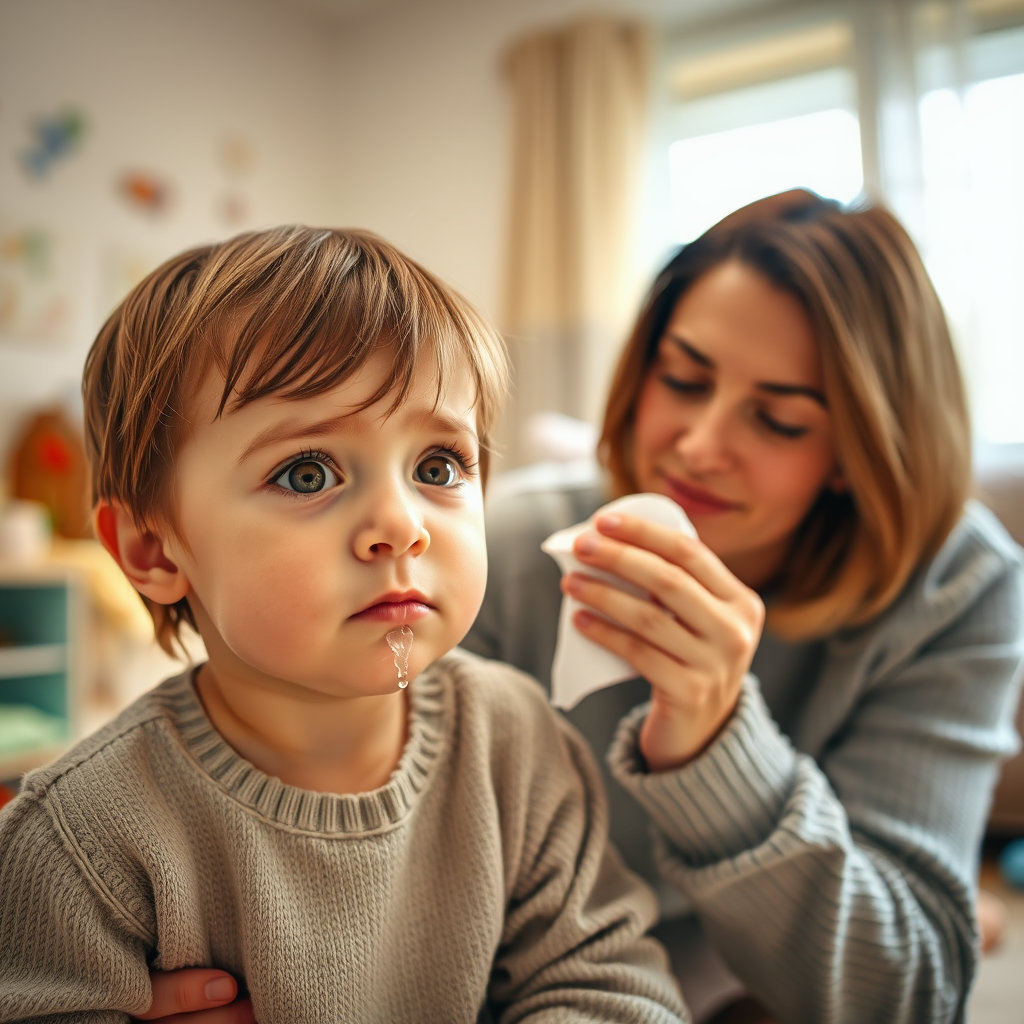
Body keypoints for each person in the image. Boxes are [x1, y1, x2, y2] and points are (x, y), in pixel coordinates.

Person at [138, 192, 1024, 1024]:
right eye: (682, 379)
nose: (699, 445)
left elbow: (908, 991)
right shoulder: (506, 552)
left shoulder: (959, 588)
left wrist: (718, 747)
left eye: (780, 420)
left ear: (858, 448)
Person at [0, 226, 690, 1023]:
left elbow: (612, 984)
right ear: (155, 550)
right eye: (307, 472)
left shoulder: (514, 741)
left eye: (438, 468)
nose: (401, 526)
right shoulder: (79, 839)